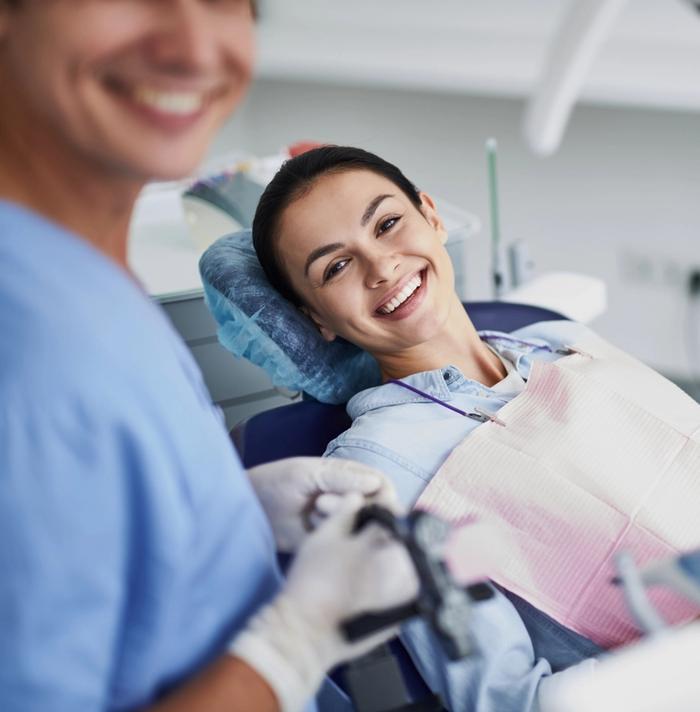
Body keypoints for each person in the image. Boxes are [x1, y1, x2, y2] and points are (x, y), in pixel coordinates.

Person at [0, 5, 419, 712]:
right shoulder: (30, 347)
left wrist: (221, 516)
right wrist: (294, 644)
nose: (193, 49)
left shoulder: (83, 276)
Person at [251, 145, 700, 710]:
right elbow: (509, 700)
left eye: (388, 224)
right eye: (336, 267)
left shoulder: (558, 340)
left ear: (431, 216)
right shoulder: (379, 469)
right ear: (316, 318)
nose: (381, 266)